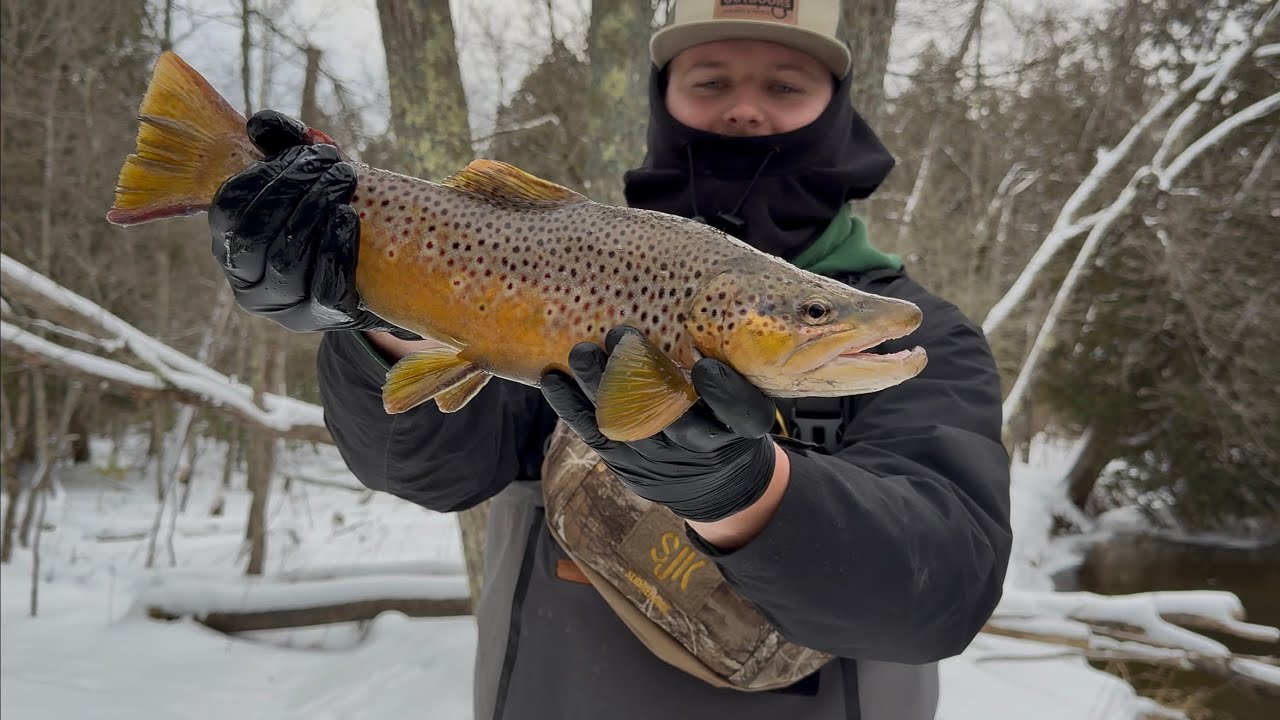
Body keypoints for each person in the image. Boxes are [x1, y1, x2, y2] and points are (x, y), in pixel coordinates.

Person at [207, 1, 1012, 718]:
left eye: (784, 85)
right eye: (710, 80)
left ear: (837, 110)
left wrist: (745, 489)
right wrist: (383, 313)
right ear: (662, 100)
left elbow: (942, 593)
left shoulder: (921, 335)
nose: (743, 108)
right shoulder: (568, 264)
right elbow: (432, 468)